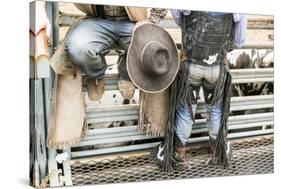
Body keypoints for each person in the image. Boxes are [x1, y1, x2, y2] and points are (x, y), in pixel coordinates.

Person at [156, 10, 247, 170]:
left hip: (191, 65)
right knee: (216, 111)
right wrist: (218, 47)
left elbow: (180, 20)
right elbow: (239, 41)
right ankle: (217, 154)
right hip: (217, 67)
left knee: (185, 110)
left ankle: (179, 155)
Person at [64, 4, 167, 101]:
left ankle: (126, 73)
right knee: (76, 49)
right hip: (97, 20)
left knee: (151, 52)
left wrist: (152, 20)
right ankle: (96, 74)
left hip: (133, 22)